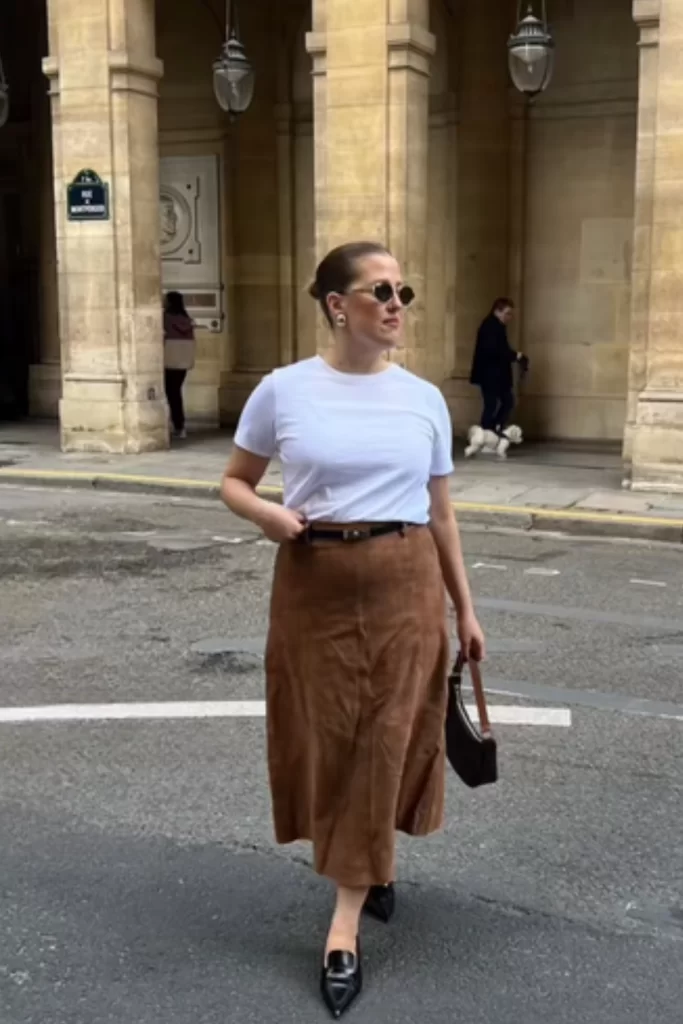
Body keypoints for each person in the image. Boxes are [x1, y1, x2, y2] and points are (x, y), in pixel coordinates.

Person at [220, 241, 486, 1019]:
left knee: (387, 737)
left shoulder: (423, 399)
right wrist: (268, 512)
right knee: (331, 736)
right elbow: (233, 481)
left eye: (404, 288)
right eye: (381, 290)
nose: (397, 302)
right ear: (338, 305)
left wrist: (465, 609)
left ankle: (343, 925)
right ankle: (371, 861)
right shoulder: (283, 391)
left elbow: (440, 514)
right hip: (313, 585)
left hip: (406, 584)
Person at [470, 298, 525, 435]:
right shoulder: (491, 327)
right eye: (507, 313)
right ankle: (488, 432)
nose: (509, 317)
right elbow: (496, 350)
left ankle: (491, 431)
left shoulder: (495, 326)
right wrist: (515, 356)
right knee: (494, 404)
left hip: (494, 375)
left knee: (502, 402)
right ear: (497, 311)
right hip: (491, 375)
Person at [163, 291, 195, 439]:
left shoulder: (165, 318)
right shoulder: (187, 319)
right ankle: (179, 425)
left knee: (168, 393)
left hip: (168, 360)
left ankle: (173, 424)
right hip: (182, 362)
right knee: (176, 393)